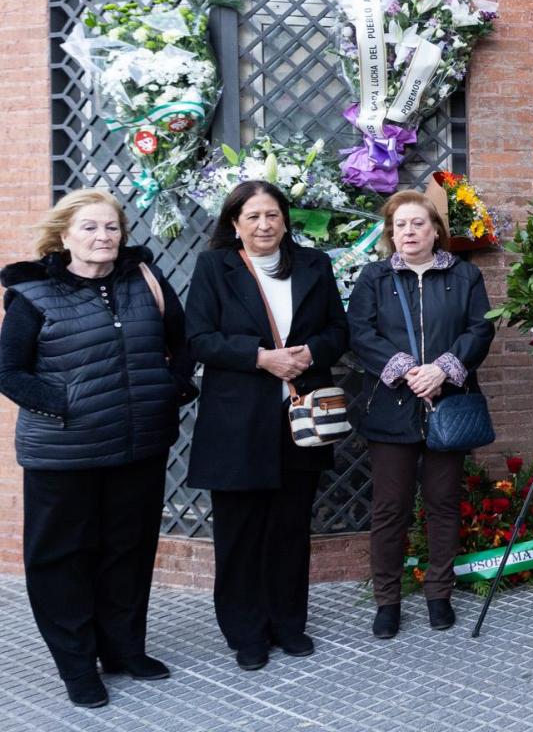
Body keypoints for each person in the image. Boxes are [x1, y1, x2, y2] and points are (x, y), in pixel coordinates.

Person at [0, 189, 196, 707]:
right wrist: (65, 403)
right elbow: (10, 371)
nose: (102, 237)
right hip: (65, 453)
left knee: (128, 553)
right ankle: (76, 666)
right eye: (89, 228)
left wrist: (171, 387)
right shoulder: (33, 293)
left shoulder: (145, 279)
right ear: (64, 236)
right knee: (63, 559)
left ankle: (125, 649)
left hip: (139, 445)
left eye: (111, 228)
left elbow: (182, 342)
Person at [185, 180, 349, 671]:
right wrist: (260, 358)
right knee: (239, 532)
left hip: (300, 421)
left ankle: (288, 624)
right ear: (234, 222)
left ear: (285, 220)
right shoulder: (215, 267)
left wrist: (309, 353)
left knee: (290, 527)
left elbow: (338, 331)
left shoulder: (314, 265)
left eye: (273, 215)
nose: (264, 225)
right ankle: (246, 632)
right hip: (236, 422)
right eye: (253, 216)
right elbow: (199, 338)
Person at [346, 190, 494, 639]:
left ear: (435, 230)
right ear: (391, 234)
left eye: (418, 224)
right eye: (400, 225)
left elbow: (481, 328)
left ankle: (438, 593)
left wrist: (443, 369)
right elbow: (360, 332)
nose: (408, 232)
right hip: (392, 409)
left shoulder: (465, 275)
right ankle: (387, 601)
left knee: (443, 505)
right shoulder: (374, 278)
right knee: (391, 509)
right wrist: (408, 371)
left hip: (447, 406)